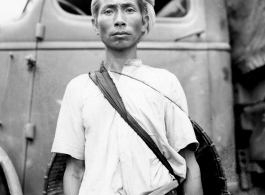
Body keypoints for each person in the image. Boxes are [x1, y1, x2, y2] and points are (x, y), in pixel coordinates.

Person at [51, 0, 203, 194]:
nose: (119, 20)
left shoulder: (165, 83)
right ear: (95, 24)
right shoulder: (79, 88)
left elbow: (188, 163)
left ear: (145, 21)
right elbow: (74, 171)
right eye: (108, 11)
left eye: (129, 9)